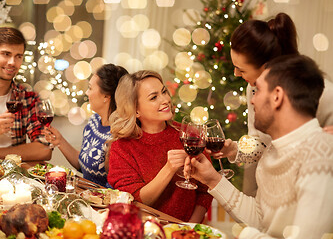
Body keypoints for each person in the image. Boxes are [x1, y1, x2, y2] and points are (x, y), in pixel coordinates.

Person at [185, 54, 333, 238]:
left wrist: (245, 236)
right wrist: (212, 179)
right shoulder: (272, 151)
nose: (252, 100)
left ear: (277, 96)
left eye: (258, 90)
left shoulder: (322, 153)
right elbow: (260, 219)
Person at [212, 13, 333, 195]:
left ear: (268, 66)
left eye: (242, 69)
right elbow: (259, 143)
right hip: (273, 185)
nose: (236, 74)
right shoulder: (253, 88)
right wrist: (234, 149)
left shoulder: (323, 92)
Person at [107, 70, 213, 222]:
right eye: (154, 97)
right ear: (135, 110)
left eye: (164, 92)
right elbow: (134, 200)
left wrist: (190, 227)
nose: (165, 100)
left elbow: (205, 190)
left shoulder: (189, 135)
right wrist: (169, 169)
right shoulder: (122, 148)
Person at [46, 64, 128, 188]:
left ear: (106, 96)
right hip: (85, 195)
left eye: (90, 88)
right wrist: (60, 141)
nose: (86, 92)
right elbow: (82, 165)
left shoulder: (120, 134)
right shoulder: (94, 121)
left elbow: (113, 190)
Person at [0, 27, 51, 161]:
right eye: (6, 54)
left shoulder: (28, 98)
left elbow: (44, 149)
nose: (12, 62)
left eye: (18, 56)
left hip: (12, 177)